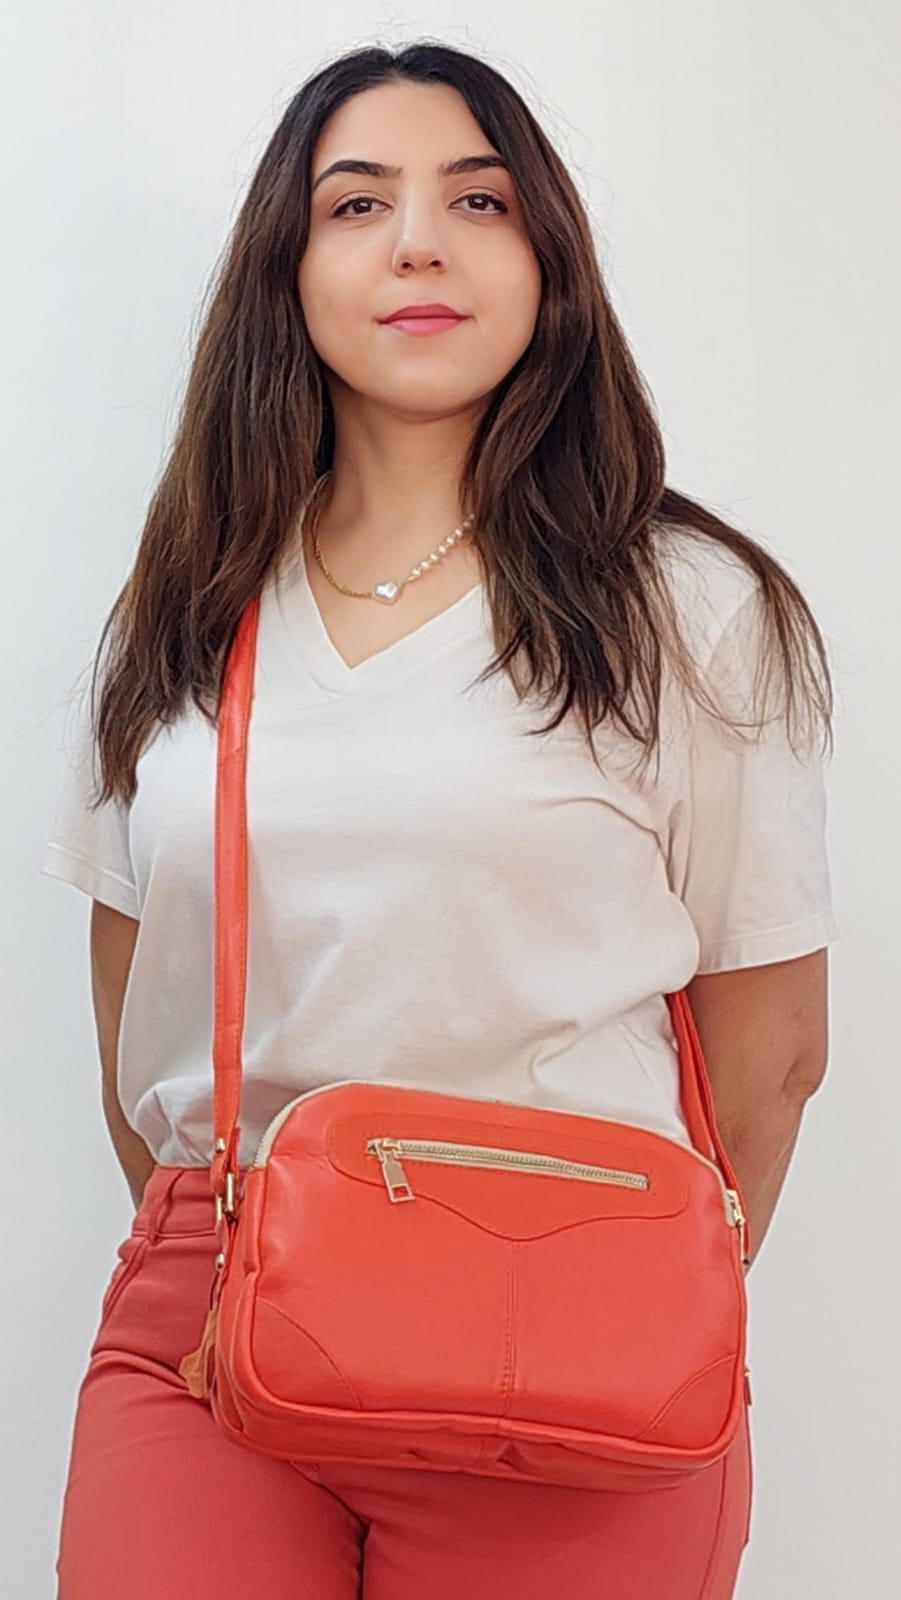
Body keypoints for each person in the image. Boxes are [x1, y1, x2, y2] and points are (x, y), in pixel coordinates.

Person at [42, 39, 839, 1600]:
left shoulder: (688, 613)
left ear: (548, 259)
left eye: (477, 199)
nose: (417, 241)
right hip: (212, 1332)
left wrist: (617, 1291)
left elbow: (769, 1053)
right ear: (286, 269)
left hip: (573, 1316)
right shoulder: (186, 609)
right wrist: (261, 1253)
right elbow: (135, 1003)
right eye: (356, 203)